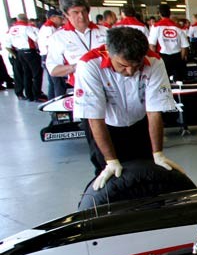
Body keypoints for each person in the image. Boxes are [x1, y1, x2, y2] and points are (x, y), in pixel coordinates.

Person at [73, 27, 182, 186]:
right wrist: (110, 160)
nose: (130, 71)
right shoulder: (89, 65)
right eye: (123, 65)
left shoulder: (155, 62)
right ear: (109, 52)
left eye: (136, 65)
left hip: (140, 123)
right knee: (111, 177)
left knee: (147, 171)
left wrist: (157, 153)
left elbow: (154, 112)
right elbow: (95, 118)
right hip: (106, 126)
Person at [47, 0, 107, 88]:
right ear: (66, 14)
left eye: (84, 11)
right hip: (81, 87)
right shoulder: (58, 38)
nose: (81, 16)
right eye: (76, 12)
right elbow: (53, 70)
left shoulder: (105, 32)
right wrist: (78, 66)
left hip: (109, 84)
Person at [4, 13, 41, 101]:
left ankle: (28, 95)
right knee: (37, 73)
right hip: (29, 52)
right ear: (26, 19)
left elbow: (7, 44)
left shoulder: (12, 29)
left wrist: (15, 55)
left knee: (26, 74)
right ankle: (36, 95)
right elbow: (36, 38)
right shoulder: (27, 27)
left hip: (19, 52)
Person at [148, 4, 189, 82]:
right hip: (177, 56)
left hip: (162, 57)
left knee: (163, 81)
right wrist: (181, 59)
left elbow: (152, 46)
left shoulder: (156, 27)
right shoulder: (178, 27)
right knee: (179, 82)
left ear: (159, 13)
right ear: (170, 13)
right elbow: (185, 46)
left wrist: (154, 60)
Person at [37, 9, 66, 99]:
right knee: (59, 83)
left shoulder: (50, 27)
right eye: (60, 17)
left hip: (46, 56)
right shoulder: (49, 28)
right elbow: (50, 45)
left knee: (53, 83)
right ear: (53, 18)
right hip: (50, 57)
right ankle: (59, 108)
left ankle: (52, 105)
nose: (62, 20)